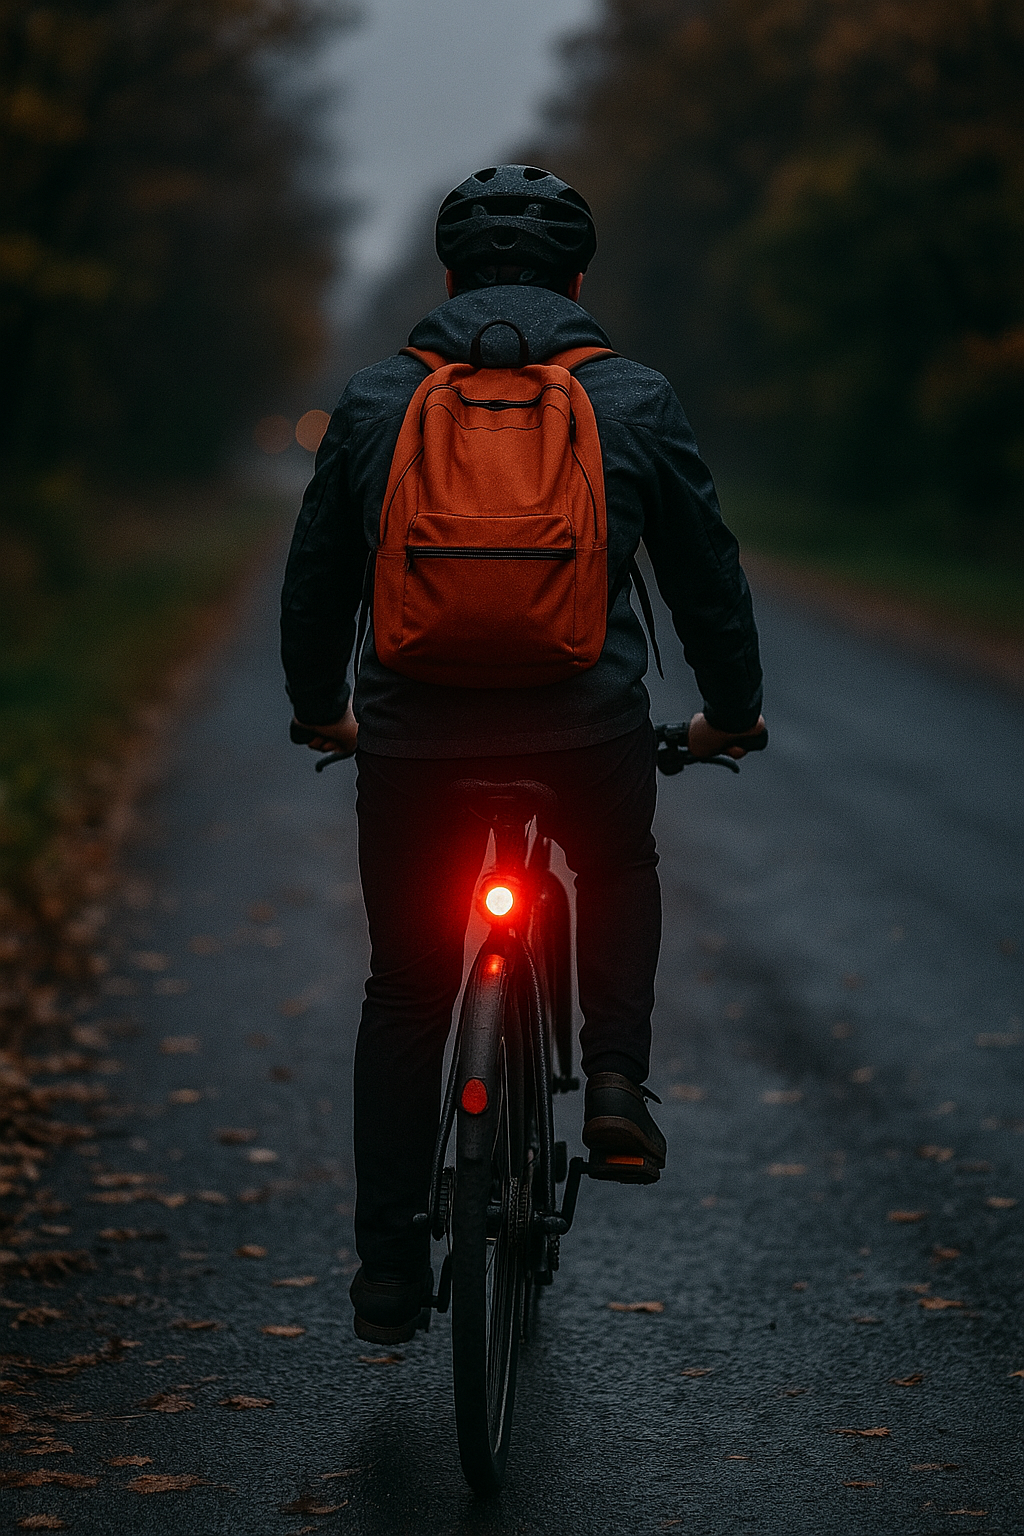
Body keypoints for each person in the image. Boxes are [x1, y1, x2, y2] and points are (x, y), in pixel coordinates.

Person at [281, 166, 765, 1344]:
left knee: (405, 988)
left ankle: (390, 1265)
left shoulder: (375, 399)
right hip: (586, 728)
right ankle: (611, 1082)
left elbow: (317, 581)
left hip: (412, 737)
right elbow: (707, 576)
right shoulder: (635, 397)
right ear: (578, 282)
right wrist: (730, 713)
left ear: (446, 280)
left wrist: (321, 708)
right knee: (612, 865)